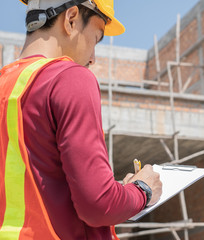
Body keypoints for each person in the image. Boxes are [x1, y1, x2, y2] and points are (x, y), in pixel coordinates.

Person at [0, 0, 162, 239]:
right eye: (96, 39)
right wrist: (143, 190)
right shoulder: (69, 79)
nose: (93, 58)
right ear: (72, 18)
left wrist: (118, 190)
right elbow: (99, 206)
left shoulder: (6, 84)